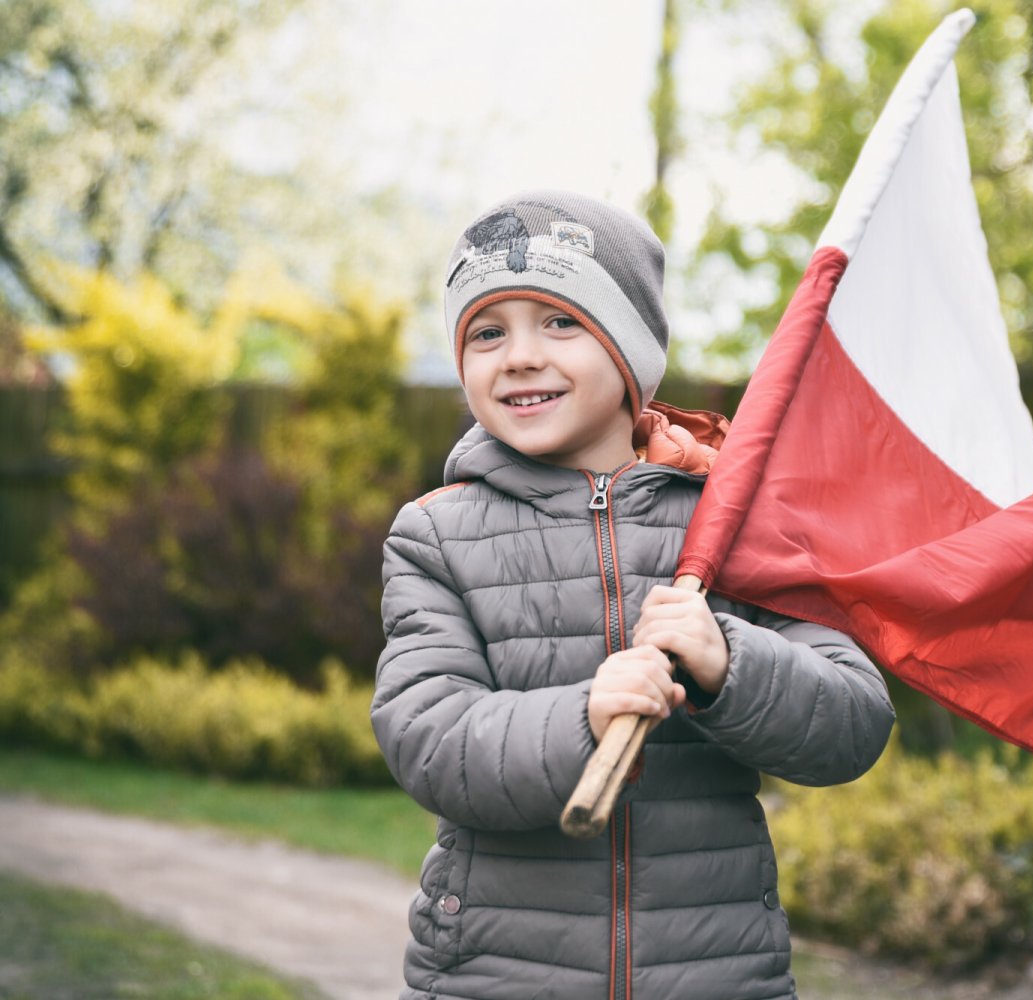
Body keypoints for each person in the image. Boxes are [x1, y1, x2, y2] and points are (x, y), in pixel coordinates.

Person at [372, 190, 895, 1000]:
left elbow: (853, 724)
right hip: (497, 973)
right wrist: (583, 712)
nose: (517, 356)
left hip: (715, 971)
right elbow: (432, 740)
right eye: (486, 332)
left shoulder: (732, 520)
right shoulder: (437, 535)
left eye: (558, 321)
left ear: (630, 349)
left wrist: (730, 661)